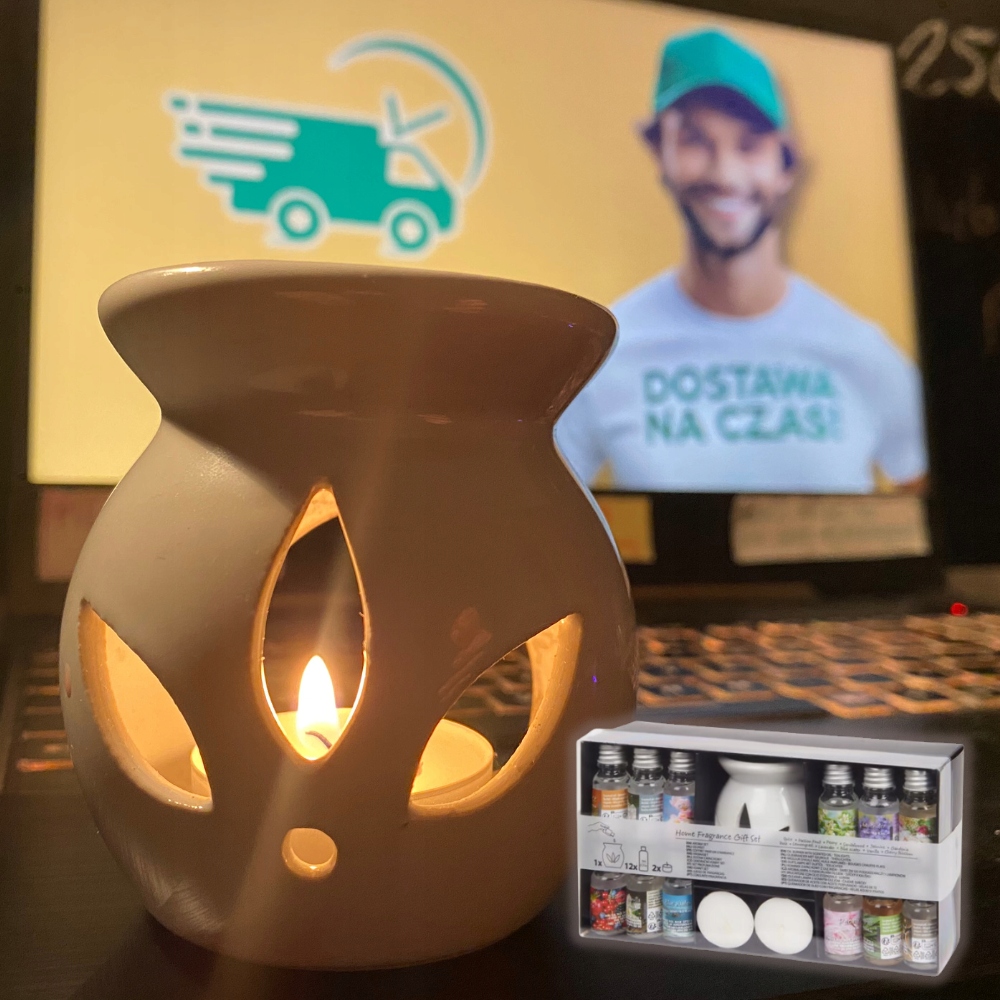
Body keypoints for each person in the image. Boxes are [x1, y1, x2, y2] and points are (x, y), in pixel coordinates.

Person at [556, 28, 928, 493]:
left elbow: (942, 511)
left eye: (749, 145)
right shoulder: (606, 352)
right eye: (695, 140)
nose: (725, 174)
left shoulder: (863, 351)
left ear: (786, 164)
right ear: (659, 152)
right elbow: (534, 514)